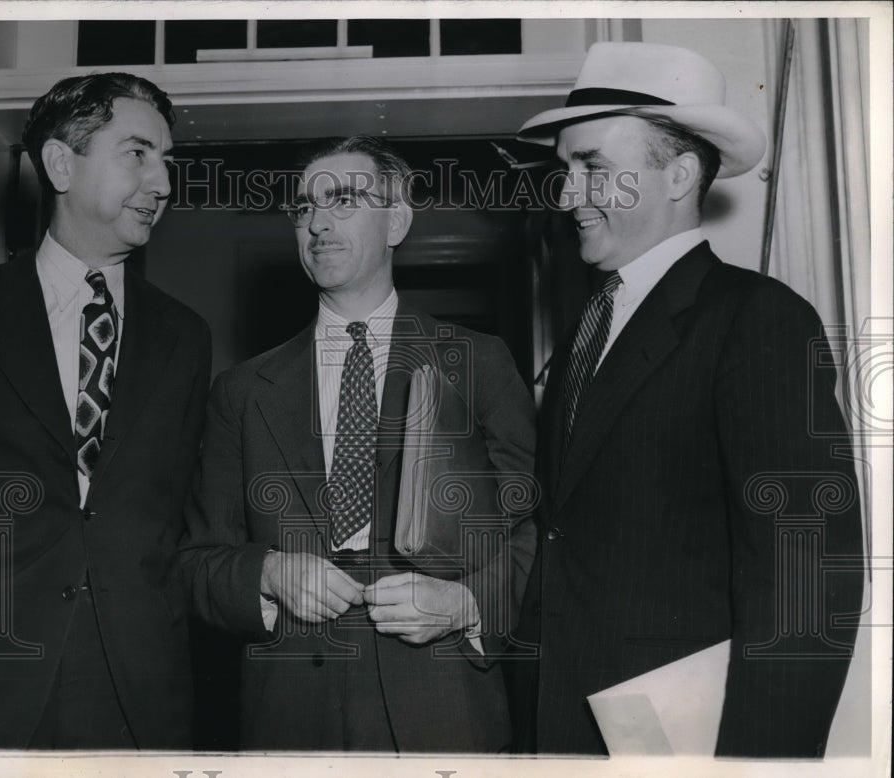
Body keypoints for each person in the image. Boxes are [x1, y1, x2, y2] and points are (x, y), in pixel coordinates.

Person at [511, 42, 864, 757]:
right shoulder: (587, 326)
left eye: (595, 169)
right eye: (565, 171)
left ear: (676, 175)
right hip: (561, 729)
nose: (569, 195)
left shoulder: (756, 318)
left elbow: (804, 575)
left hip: (684, 741)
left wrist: (761, 765)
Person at [179, 135, 536, 752]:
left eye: (343, 201)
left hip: (443, 711)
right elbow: (197, 561)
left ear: (396, 220)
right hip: (289, 721)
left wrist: (465, 604)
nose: (317, 223)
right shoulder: (241, 390)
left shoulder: (477, 361)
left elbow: (533, 528)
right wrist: (267, 571)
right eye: (303, 208)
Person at [0, 72, 211, 749]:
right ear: (59, 163)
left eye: (167, 161)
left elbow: (182, 520)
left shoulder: (186, 337)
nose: (162, 183)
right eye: (138, 154)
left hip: (136, 697)